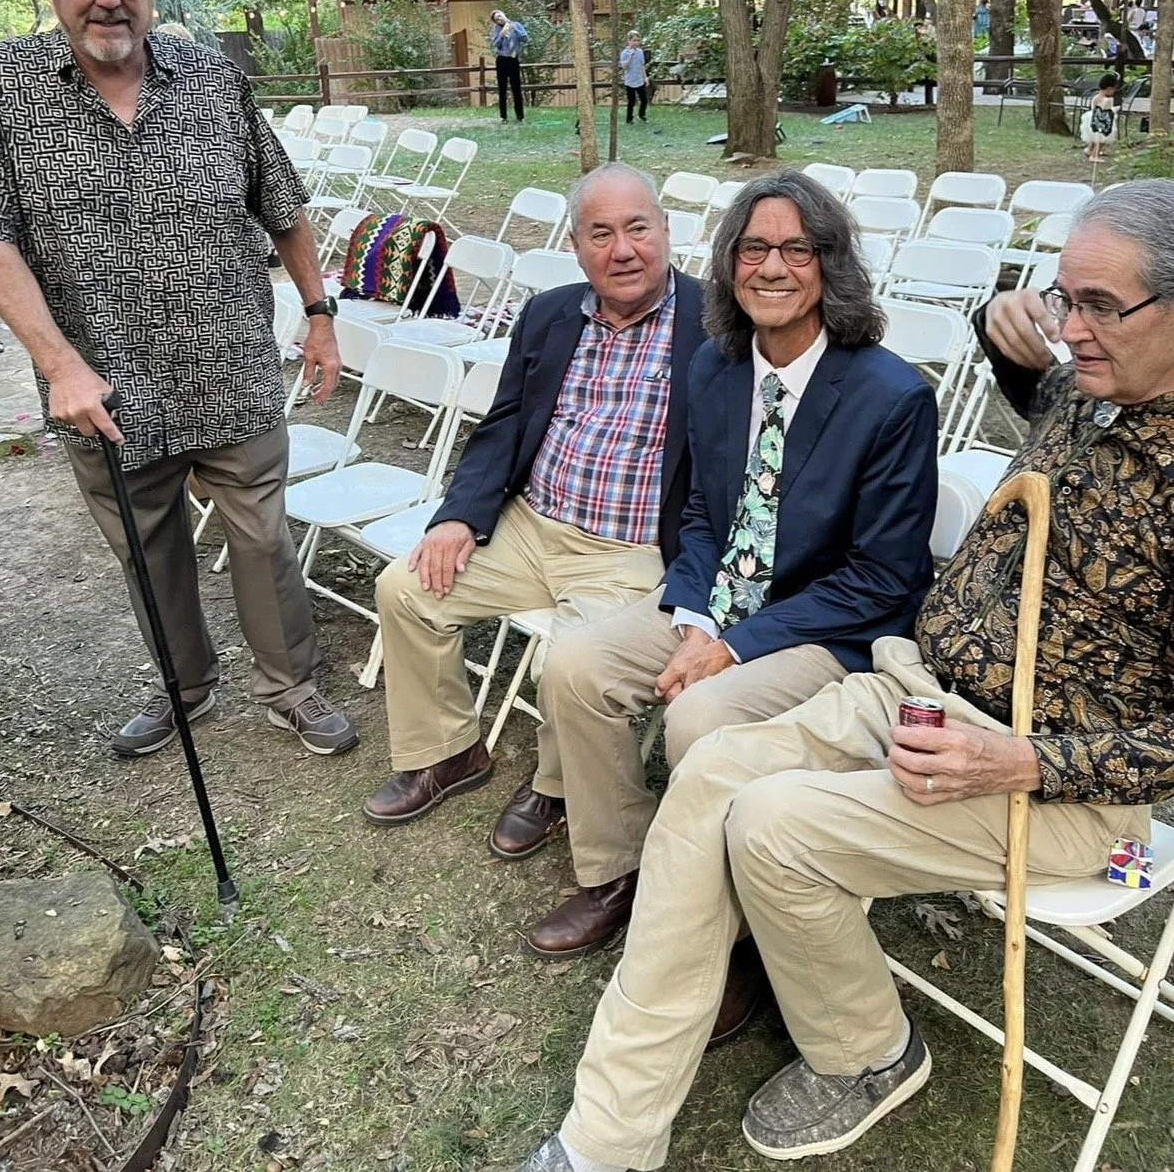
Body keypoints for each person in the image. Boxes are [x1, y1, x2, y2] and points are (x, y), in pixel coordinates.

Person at [504, 179, 1174, 1172]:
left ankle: (866, 1050)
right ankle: (603, 1135)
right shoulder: (1089, 388)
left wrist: (1018, 758)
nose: (1069, 328)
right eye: (1060, 297)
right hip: (914, 686)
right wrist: (1010, 344)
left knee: (766, 824)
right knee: (707, 775)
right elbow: (1064, 421)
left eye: (1098, 306)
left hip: (1051, 774)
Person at [503, 170, 940, 963]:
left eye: (796, 250)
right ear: (729, 263)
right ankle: (619, 871)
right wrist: (696, 614)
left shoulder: (890, 397)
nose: (771, 269)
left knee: (699, 717)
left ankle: (728, 931)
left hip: (825, 627)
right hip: (722, 602)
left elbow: (880, 579)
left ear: (828, 263)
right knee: (572, 664)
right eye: (753, 249)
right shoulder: (716, 367)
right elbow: (702, 513)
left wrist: (732, 647)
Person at [0, 0, 357, 759]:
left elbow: (283, 207)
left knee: (263, 535)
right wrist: (57, 364)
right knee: (147, 547)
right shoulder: (7, 91)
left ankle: (291, 686)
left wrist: (319, 314)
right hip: (103, 382)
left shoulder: (211, 81)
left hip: (228, 362)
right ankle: (185, 687)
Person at [362, 166, 706, 835]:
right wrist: (459, 514)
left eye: (637, 228)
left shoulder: (718, 326)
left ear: (665, 231)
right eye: (600, 234)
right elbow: (503, 422)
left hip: (628, 549)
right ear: (576, 247)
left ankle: (556, 788)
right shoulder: (549, 313)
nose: (623, 249)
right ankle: (449, 752)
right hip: (528, 524)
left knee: (570, 665)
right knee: (404, 589)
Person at [490, 9, 528, 122]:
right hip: (501, 60)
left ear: (504, 14)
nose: (499, 19)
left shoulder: (516, 25)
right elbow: (496, 44)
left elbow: (524, 38)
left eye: (500, 16)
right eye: (496, 19)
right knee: (502, 89)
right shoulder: (496, 29)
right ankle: (503, 117)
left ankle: (520, 116)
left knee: (516, 88)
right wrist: (501, 35)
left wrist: (510, 25)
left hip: (513, 59)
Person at [1081, 71, 1119, 161]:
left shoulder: (1096, 96)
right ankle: (1095, 155)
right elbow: (1106, 111)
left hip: (1092, 119)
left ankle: (1089, 150)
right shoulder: (1106, 100)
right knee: (1102, 139)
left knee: (1094, 138)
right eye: (1113, 89)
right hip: (1101, 121)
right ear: (1109, 88)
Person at [619, 31, 649, 123]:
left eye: (637, 40)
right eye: (634, 40)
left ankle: (642, 115)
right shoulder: (625, 52)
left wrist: (645, 77)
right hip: (630, 81)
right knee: (631, 101)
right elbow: (624, 67)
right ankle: (629, 119)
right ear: (629, 41)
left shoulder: (640, 52)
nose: (636, 42)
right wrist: (630, 56)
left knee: (644, 100)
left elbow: (642, 65)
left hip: (639, 79)